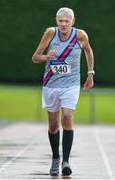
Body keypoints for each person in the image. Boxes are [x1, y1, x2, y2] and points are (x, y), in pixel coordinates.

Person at [32, 7, 94, 176]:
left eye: (67, 21)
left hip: (71, 85)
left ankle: (66, 161)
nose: (63, 24)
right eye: (61, 21)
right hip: (51, 84)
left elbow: (88, 52)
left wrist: (90, 73)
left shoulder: (80, 35)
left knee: (67, 117)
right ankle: (55, 159)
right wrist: (47, 57)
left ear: (72, 22)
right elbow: (35, 57)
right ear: (56, 21)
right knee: (53, 125)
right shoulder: (50, 34)